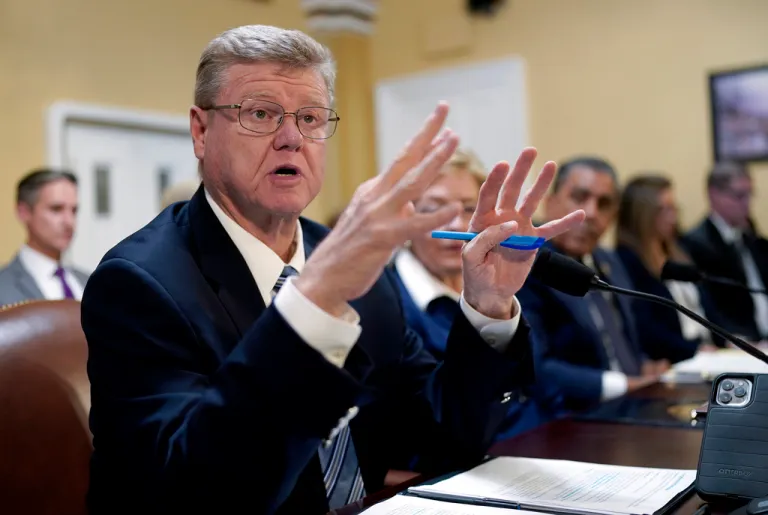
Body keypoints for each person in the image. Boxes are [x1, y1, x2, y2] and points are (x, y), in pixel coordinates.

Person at [81, 25, 584, 515]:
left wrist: (487, 305)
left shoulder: (355, 261)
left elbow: (446, 431)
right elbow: (197, 490)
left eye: (311, 118)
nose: (291, 139)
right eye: (260, 113)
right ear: (199, 130)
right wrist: (314, 301)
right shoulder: (138, 282)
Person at [391, 148, 564, 439]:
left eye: (469, 209)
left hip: (540, 439)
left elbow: (535, 380)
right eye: (436, 209)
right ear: (408, 217)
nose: (456, 224)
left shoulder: (496, 276)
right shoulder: (392, 299)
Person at [517, 157, 667, 409]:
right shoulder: (525, 264)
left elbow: (621, 338)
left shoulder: (609, 260)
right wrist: (622, 383)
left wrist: (643, 364)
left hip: (634, 400)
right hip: (572, 415)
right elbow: (535, 366)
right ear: (551, 202)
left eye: (604, 204)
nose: (591, 213)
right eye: (579, 197)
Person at [616, 175, 716, 363]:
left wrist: (728, 341)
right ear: (642, 214)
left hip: (707, 352)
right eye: (663, 210)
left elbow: (706, 308)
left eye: (674, 208)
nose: (673, 217)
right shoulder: (627, 260)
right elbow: (647, 329)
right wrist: (696, 350)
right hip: (678, 359)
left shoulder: (679, 249)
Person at [681, 162, 768, 343]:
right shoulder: (697, 244)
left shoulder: (751, 238)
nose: (747, 203)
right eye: (739, 195)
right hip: (743, 341)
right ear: (714, 195)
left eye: (749, 194)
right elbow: (711, 308)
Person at [0, 169, 88, 306]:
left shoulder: (89, 282)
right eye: (56, 209)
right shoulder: (3, 287)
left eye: (74, 210)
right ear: (24, 212)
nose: (69, 222)